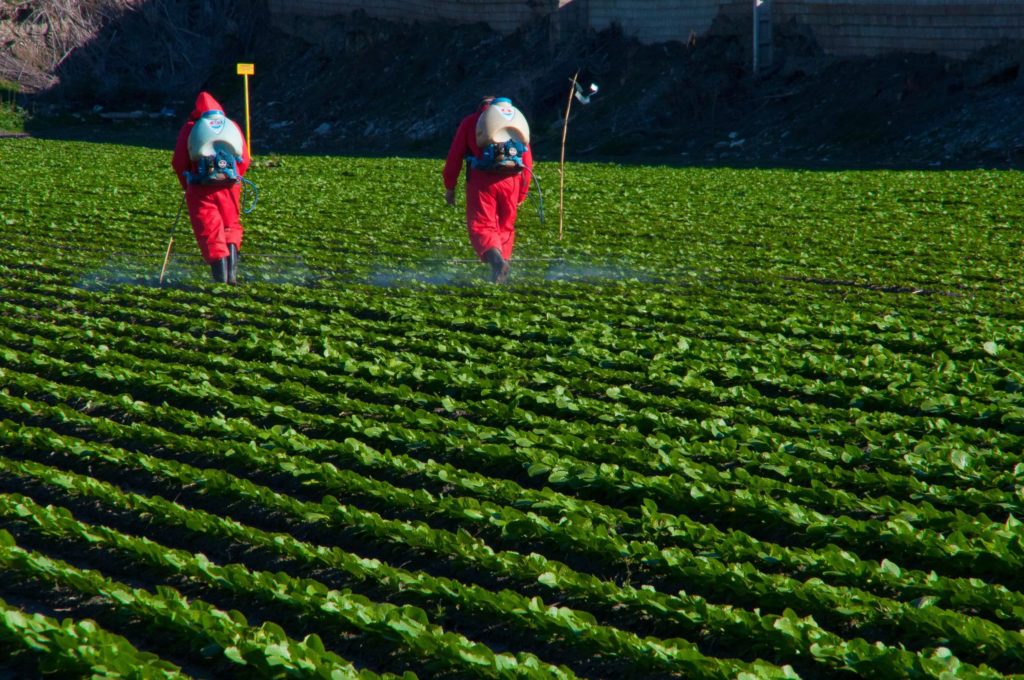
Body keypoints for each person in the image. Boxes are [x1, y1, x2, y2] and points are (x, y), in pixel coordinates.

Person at [443, 96, 532, 284]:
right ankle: (499, 271)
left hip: (481, 181)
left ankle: (497, 262)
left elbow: (455, 155)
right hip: (512, 181)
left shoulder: (471, 121)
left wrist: (450, 186)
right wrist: (522, 192)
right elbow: (527, 159)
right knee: (505, 226)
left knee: (482, 225)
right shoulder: (515, 119)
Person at [171, 91, 251, 284]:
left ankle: (221, 282)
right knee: (230, 226)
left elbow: (179, 162)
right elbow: (245, 159)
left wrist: (188, 184)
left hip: (200, 189)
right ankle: (232, 277)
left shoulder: (191, 127)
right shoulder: (231, 126)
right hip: (230, 188)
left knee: (210, 231)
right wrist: (232, 179)